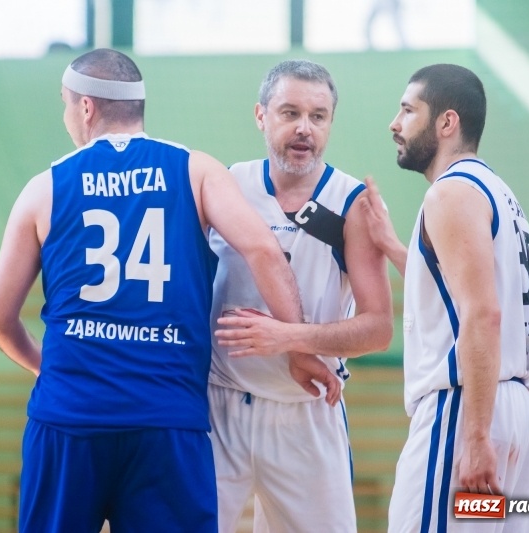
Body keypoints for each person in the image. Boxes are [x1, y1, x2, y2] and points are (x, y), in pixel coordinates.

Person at [0, 48, 341, 533]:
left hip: (70, 417)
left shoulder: (44, 188)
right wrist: (296, 345)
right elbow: (264, 250)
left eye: (67, 104)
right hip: (168, 420)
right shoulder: (196, 171)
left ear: (85, 107)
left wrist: (54, 369)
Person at [208, 59, 394, 532]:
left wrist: (288, 338)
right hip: (219, 408)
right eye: (289, 113)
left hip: (307, 409)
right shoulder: (226, 184)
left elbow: (378, 329)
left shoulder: (352, 204)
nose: (304, 129)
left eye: (318, 116)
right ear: (261, 116)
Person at [360, 64, 529, 532]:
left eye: (407, 110)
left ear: (446, 122)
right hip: (514, 412)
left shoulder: (451, 194)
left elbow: (482, 315)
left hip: (465, 411)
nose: (394, 123)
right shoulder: (499, 193)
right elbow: (454, 291)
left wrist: (477, 436)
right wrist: (395, 246)